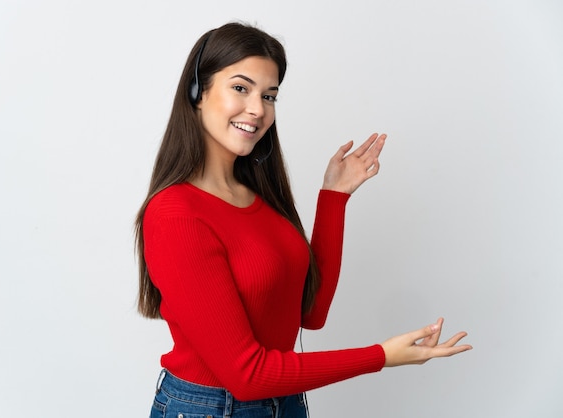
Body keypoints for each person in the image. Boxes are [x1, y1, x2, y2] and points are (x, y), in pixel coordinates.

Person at [134, 21, 471, 418]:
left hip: (286, 404)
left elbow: (310, 314)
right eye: (240, 88)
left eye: (270, 95)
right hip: (211, 409)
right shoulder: (176, 215)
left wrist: (334, 198)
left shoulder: (259, 198)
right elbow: (247, 375)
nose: (258, 109)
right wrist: (382, 356)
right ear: (198, 92)